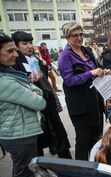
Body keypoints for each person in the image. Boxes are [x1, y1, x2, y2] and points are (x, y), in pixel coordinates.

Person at [0, 33, 52, 177]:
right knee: (22, 176)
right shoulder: (5, 81)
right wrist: (33, 92)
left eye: (15, 49)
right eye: (10, 51)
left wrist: (32, 91)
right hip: (19, 136)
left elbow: (36, 89)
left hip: (19, 133)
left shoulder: (9, 74)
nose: (15, 54)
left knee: (22, 174)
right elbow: (39, 102)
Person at [11, 31, 72, 160]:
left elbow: (44, 73)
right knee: (39, 139)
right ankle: (40, 169)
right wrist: (30, 80)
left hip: (48, 99)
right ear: (16, 46)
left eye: (30, 42)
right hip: (34, 105)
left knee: (58, 131)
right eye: (24, 43)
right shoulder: (15, 62)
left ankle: (67, 162)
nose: (29, 46)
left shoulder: (34, 58)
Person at [58, 22, 108, 160]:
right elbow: (69, 81)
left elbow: (96, 70)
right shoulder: (65, 56)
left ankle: (94, 168)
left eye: (81, 34)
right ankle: (81, 173)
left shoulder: (87, 50)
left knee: (96, 139)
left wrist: (102, 72)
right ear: (67, 37)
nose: (79, 38)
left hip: (95, 101)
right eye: (75, 35)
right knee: (83, 140)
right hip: (80, 104)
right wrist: (91, 73)